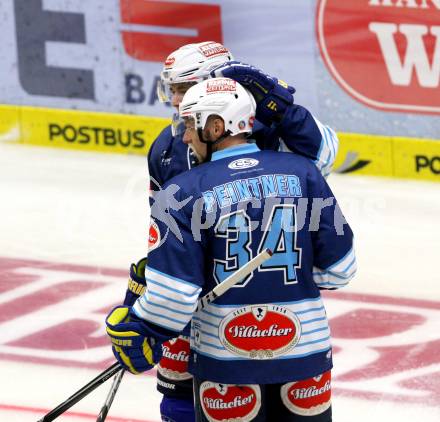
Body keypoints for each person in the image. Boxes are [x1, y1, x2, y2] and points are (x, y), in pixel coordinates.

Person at [107, 78, 356, 421]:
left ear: (216, 126)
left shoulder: (180, 192)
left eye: (191, 125)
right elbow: (340, 268)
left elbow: (174, 297)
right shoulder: (304, 173)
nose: (184, 137)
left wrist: (140, 327)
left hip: (225, 361)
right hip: (305, 353)